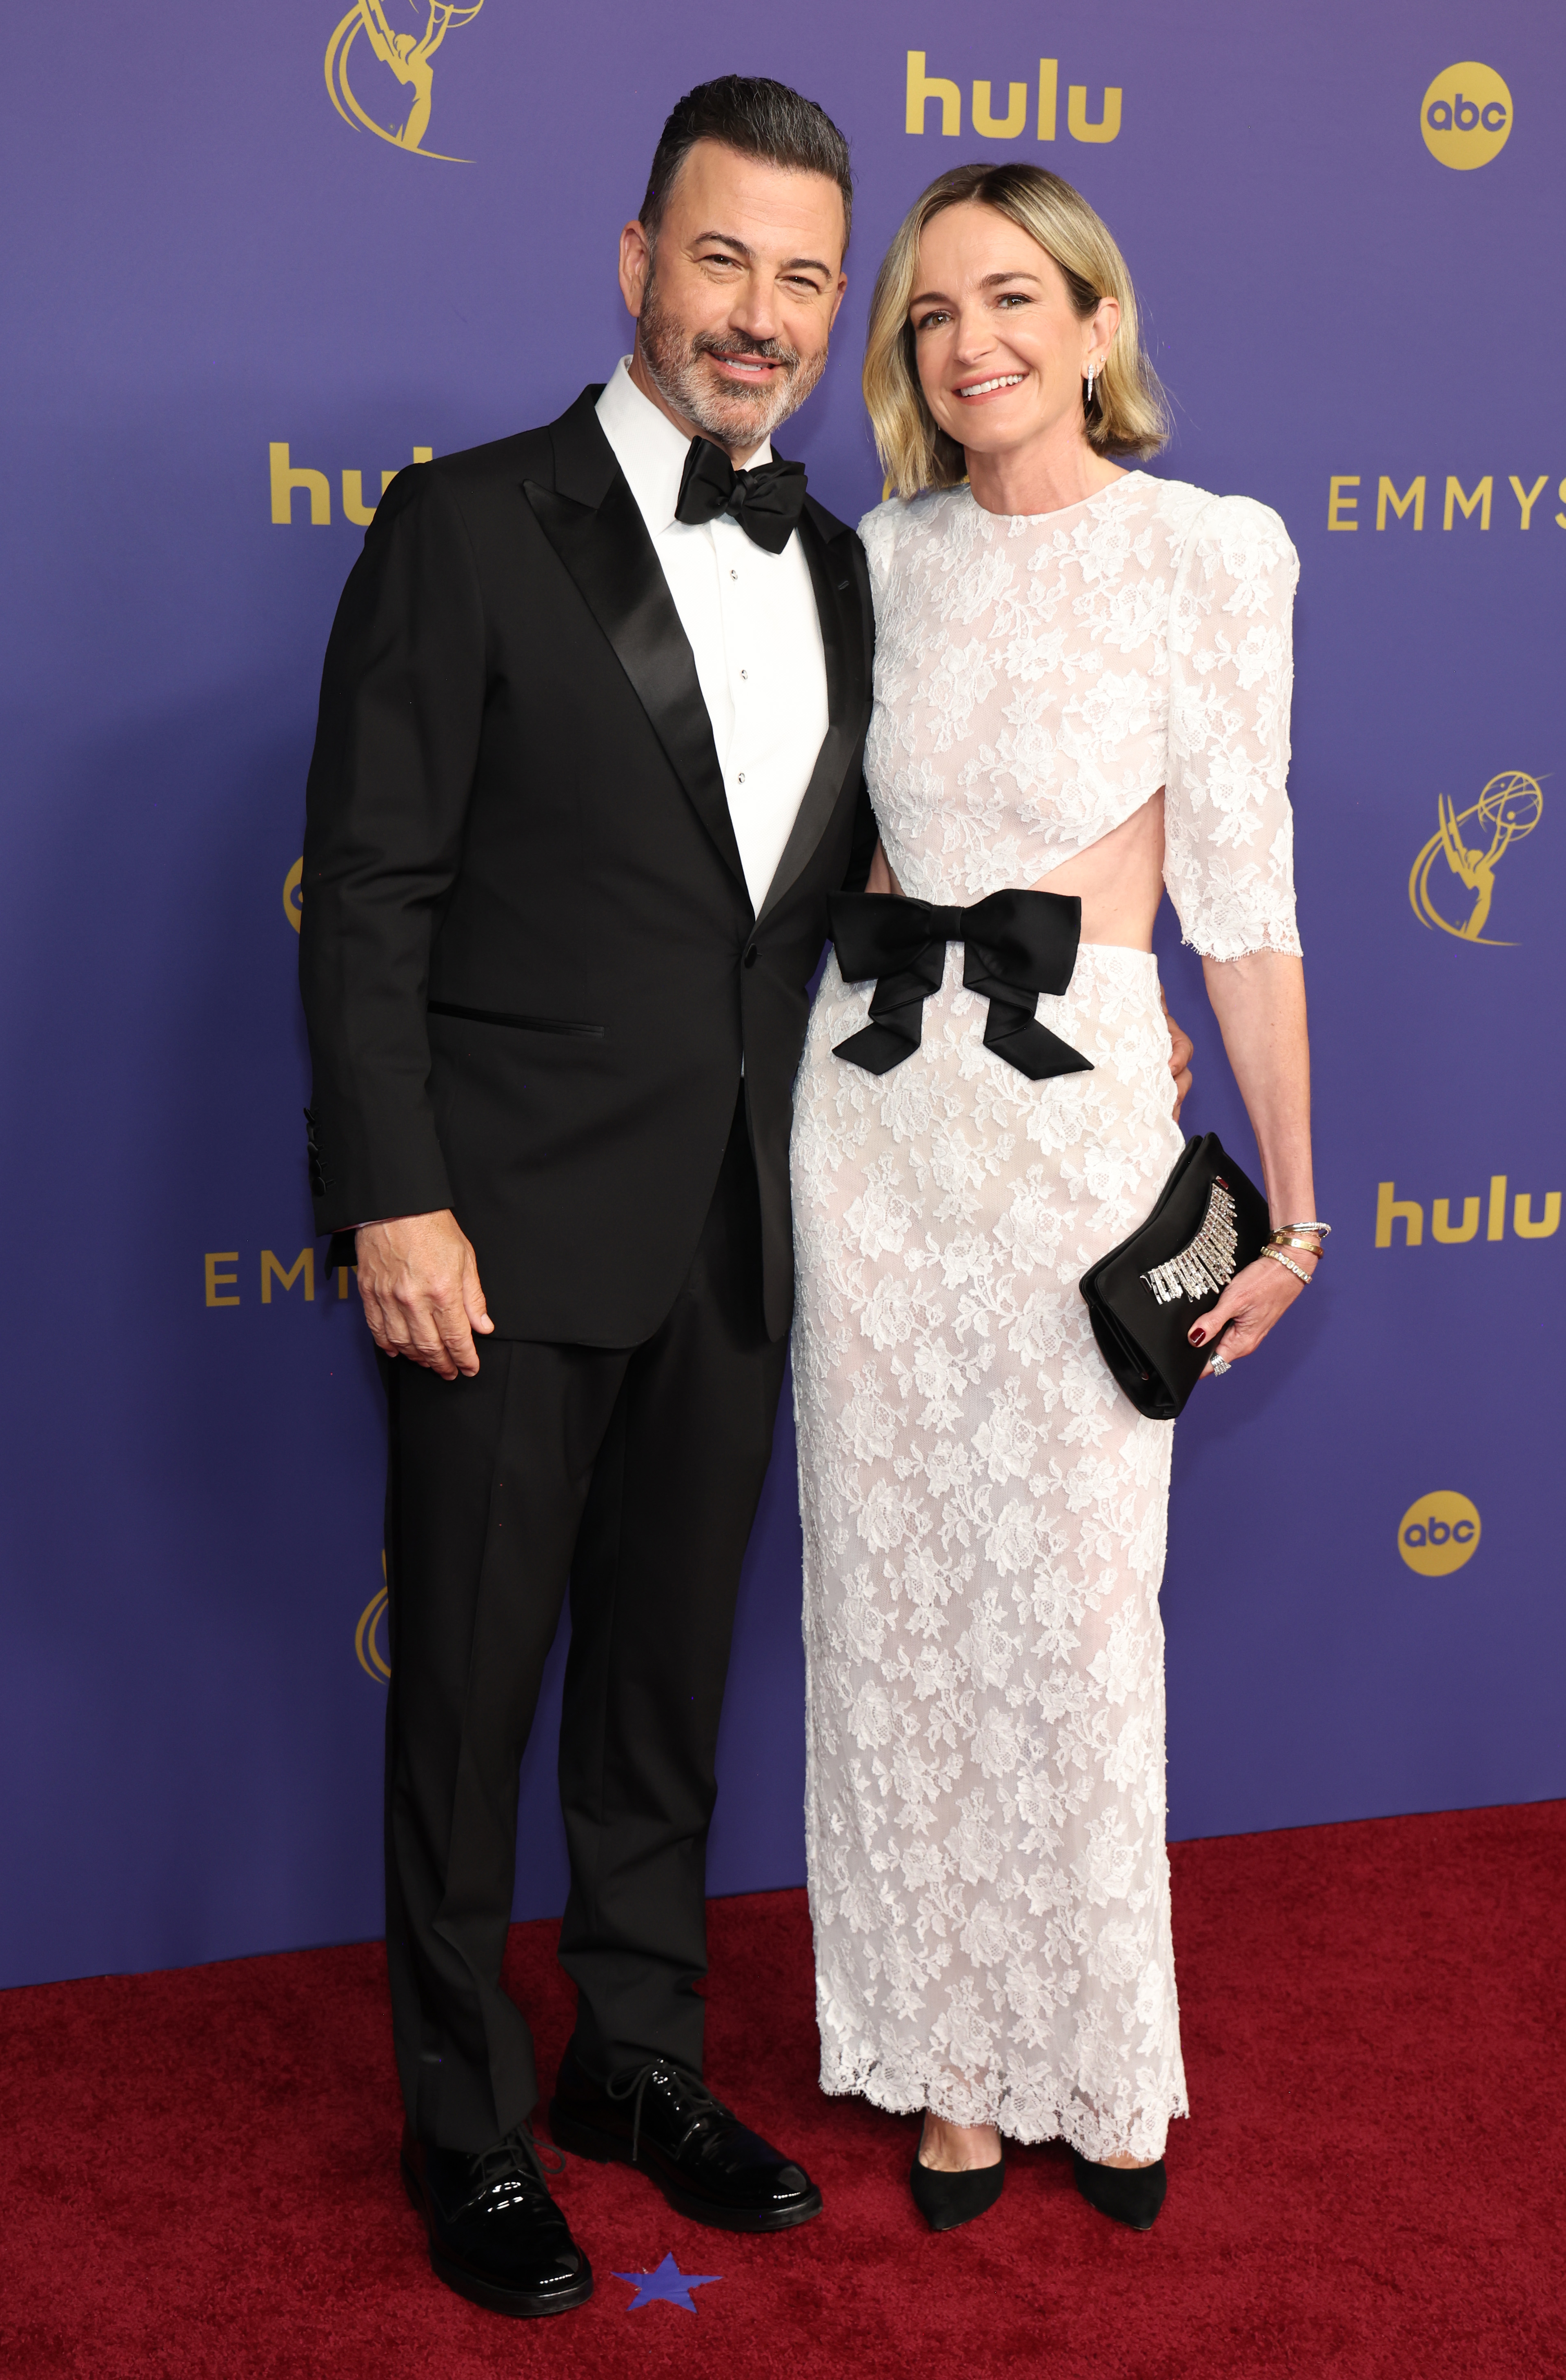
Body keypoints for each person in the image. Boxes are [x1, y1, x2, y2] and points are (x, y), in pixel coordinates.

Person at [298, 78, 876, 2320]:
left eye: (805, 276)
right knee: (463, 1698)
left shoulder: (831, 560)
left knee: (663, 1694)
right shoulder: (462, 526)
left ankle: (633, 2057)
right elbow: (370, 898)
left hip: (740, 1224)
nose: (760, 315)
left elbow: (808, 910)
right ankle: (466, 2118)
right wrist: (394, 1200)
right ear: (635, 261)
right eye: (722, 259)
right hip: (502, 1229)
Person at [790, 162, 1323, 2237]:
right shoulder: (880, 562)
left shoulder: (1211, 553)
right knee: (895, 1620)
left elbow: (1249, 904)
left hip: (1077, 1132)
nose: (969, 342)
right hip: (876, 1142)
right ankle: (941, 2065)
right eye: (929, 314)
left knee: (1084, 1621)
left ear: (1097, 322)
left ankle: (1099, 2056)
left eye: (1013, 298)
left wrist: (1301, 1210)